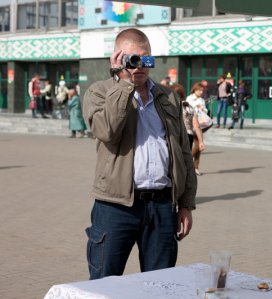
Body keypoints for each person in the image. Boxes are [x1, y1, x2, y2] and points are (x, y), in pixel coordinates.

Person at [82, 28, 197, 280]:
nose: (139, 66)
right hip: (116, 207)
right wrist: (123, 83)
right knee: (104, 284)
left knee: (160, 285)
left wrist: (186, 204)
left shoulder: (167, 97)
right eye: (132, 59)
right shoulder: (99, 92)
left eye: (145, 59)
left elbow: (183, 153)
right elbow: (107, 131)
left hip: (162, 206)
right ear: (118, 59)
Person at [171, 83, 205, 151]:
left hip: (176, 136)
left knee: (176, 159)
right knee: (186, 158)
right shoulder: (189, 107)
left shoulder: (171, 107)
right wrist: (201, 141)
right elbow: (197, 126)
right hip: (189, 136)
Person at [186, 83, 209, 176]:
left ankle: (195, 167)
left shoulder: (202, 100)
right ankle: (188, 163)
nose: (201, 92)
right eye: (200, 90)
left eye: (202, 90)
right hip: (191, 124)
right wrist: (196, 106)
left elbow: (206, 111)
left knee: (199, 146)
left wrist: (203, 108)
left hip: (201, 124)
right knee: (196, 144)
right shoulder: (189, 98)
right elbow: (187, 109)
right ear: (195, 90)